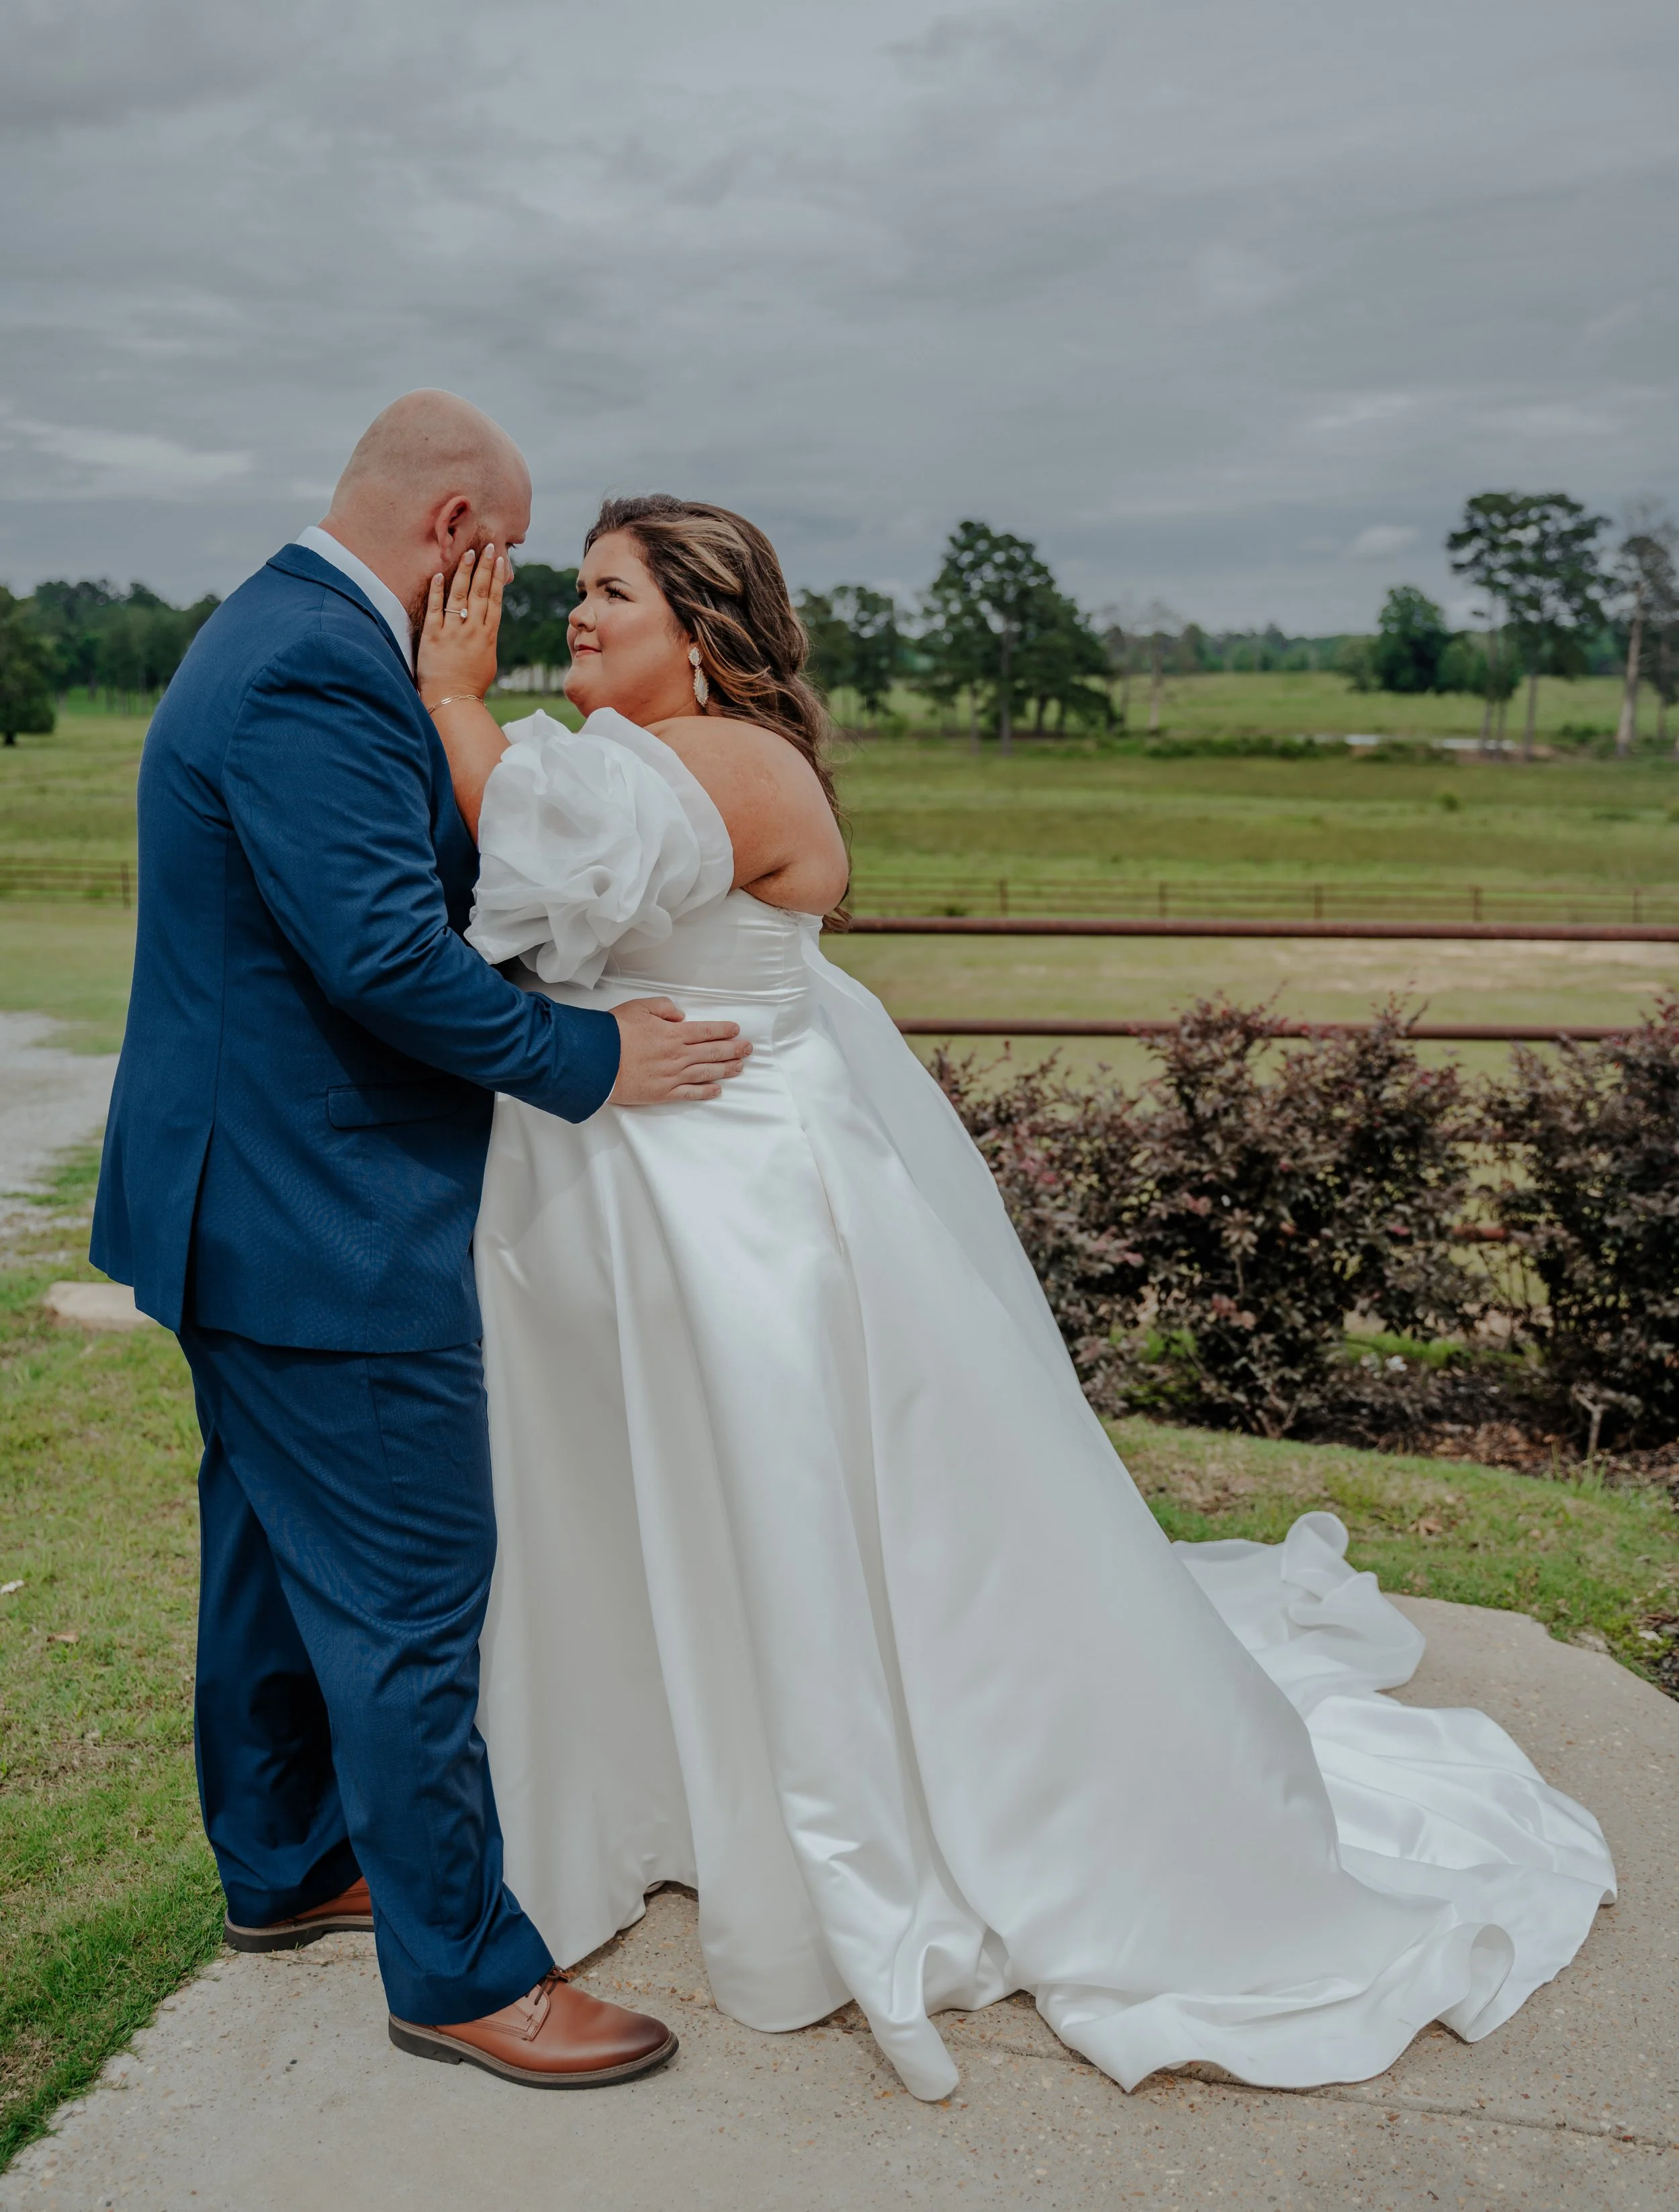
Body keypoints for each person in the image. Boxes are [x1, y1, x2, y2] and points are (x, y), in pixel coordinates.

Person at [417, 492, 1616, 2105]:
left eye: (608, 595)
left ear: (696, 633)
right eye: (577, 594)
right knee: (684, 1507)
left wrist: (448, 699)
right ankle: (698, 1788)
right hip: (657, 1190)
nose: (575, 616)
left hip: (740, 1207)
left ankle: (835, 1810)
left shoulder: (717, 758)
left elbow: (519, 848)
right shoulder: (654, 761)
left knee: (783, 1507)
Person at [91, 397, 753, 2090]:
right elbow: (383, 961)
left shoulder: (281, 628)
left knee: (262, 1559)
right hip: (318, 1218)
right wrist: (599, 1063)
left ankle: (290, 1866)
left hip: (237, 1203)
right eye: (516, 552)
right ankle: (463, 1973)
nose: (521, 589)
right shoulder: (318, 667)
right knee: (406, 1591)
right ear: (455, 525)